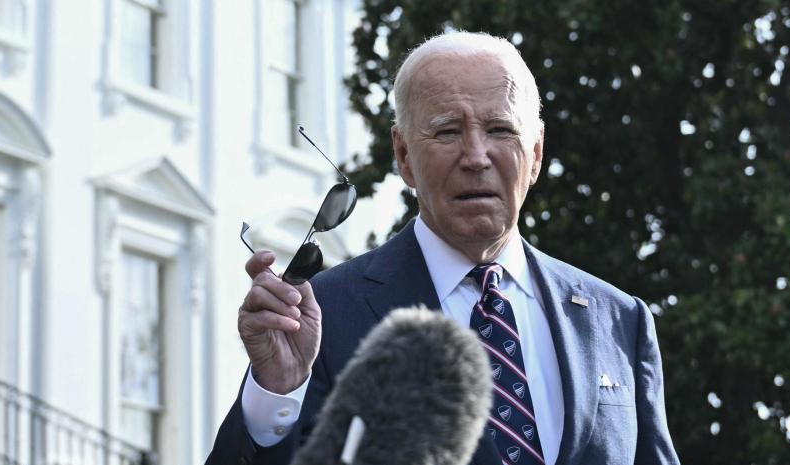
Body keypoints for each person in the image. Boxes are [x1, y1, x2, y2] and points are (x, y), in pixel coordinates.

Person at [206, 31, 680, 465]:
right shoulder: (326, 315)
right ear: (404, 155)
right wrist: (275, 394)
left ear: (535, 153)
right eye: (448, 131)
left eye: (500, 130)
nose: (476, 157)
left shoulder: (618, 320)